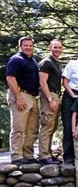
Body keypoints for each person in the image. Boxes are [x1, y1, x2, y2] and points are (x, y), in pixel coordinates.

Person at [6, 36, 39, 164]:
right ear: (20, 46)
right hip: (20, 95)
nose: (28, 47)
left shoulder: (32, 60)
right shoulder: (16, 59)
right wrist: (18, 97)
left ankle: (28, 154)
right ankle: (17, 156)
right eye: (26, 45)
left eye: (30, 45)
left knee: (32, 129)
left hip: (32, 96)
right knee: (18, 128)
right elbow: (10, 78)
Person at [38, 39, 63, 164]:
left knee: (52, 127)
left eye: (59, 47)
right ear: (50, 48)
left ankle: (48, 153)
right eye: (55, 47)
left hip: (56, 95)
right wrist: (50, 99)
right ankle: (43, 156)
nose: (57, 49)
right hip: (49, 95)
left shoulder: (56, 63)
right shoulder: (46, 62)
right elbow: (42, 82)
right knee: (47, 126)